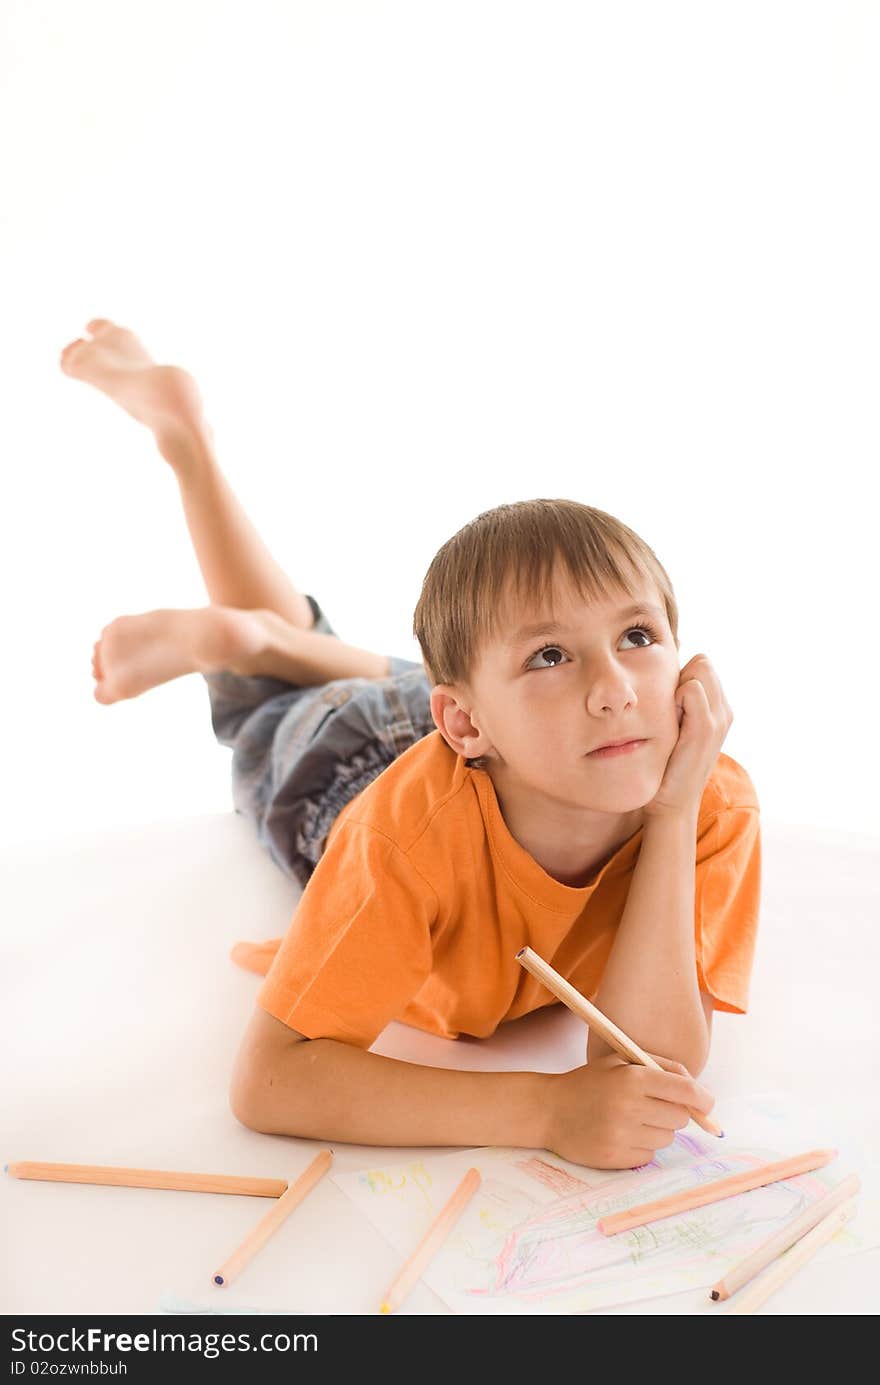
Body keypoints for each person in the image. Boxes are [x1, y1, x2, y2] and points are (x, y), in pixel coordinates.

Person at [61, 319, 760, 1170]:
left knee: (415, 673)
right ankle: (241, 604)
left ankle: (260, 620)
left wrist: (672, 807)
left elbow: (653, 1068)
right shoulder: (400, 837)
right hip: (347, 762)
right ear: (460, 724)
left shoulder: (706, 794)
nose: (615, 684)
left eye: (639, 637)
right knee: (271, 709)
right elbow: (269, 1081)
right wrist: (544, 1108)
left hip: (497, 732)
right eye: (554, 652)